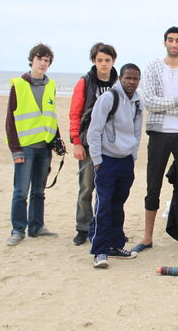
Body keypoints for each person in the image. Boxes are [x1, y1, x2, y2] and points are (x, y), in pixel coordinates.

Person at [132, 26, 178, 253]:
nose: (174, 44)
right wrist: (177, 101)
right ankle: (147, 237)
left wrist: (170, 104)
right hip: (159, 134)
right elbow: (149, 103)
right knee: (153, 185)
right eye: (170, 40)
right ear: (164, 43)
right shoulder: (153, 67)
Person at [86, 64, 143, 268]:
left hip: (126, 161)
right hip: (107, 160)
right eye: (128, 78)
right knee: (103, 206)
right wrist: (97, 160)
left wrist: (133, 157)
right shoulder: (109, 98)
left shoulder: (137, 101)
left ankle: (116, 245)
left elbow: (137, 132)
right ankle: (100, 251)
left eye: (135, 79)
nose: (131, 82)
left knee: (118, 206)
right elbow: (94, 130)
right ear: (120, 78)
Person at [5, 43, 61, 246]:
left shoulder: (51, 85)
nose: (43, 63)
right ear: (32, 60)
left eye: (47, 60)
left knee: (39, 190)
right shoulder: (18, 84)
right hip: (25, 147)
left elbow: (51, 116)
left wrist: (57, 141)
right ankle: (18, 229)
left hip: (44, 147)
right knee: (20, 191)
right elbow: (10, 119)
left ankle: (36, 227)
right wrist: (15, 149)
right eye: (40, 59)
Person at [69, 43, 119, 246]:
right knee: (87, 186)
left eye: (107, 60)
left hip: (111, 144)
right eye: (100, 60)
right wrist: (76, 142)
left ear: (113, 61)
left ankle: (103, 226)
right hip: (89, 143)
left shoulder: (118, 82)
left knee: (108, 188)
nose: (104, 64)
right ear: (93, 61)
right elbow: (75, 113)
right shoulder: (85, 82)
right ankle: (83, 227)